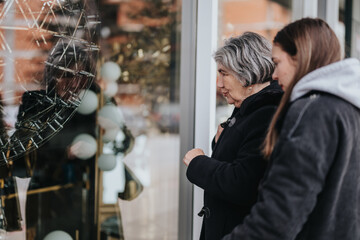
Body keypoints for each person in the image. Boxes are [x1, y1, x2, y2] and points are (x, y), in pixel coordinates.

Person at [223, 18, 360, 240]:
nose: (274, 75)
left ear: (300, 58)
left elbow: (278, 216)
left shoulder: (312, 112)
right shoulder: (348, 108)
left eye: (277, 63)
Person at [182, 32, 283, 240]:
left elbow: (243, 183)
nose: (219, 84)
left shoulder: (266, 113)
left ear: (245, 73)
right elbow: (235, 156)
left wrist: (198, 163)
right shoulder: (249, 107)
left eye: (224, 74)